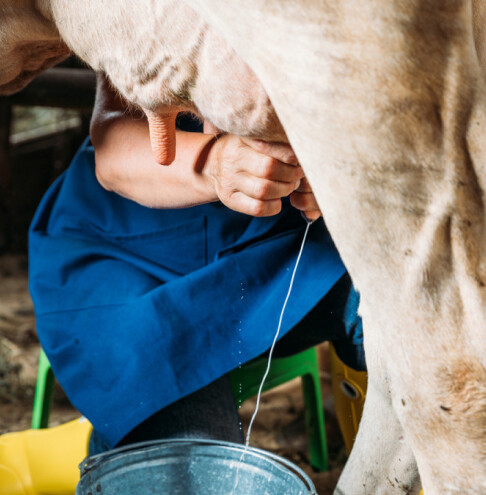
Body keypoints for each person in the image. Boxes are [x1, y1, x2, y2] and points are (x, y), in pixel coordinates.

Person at [28, 73, 365, 454]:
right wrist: (215, 163)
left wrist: (333, 176)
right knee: (187, 465)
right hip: (130, 249)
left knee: (398, 308)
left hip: (281, 244)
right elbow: (113, 143)